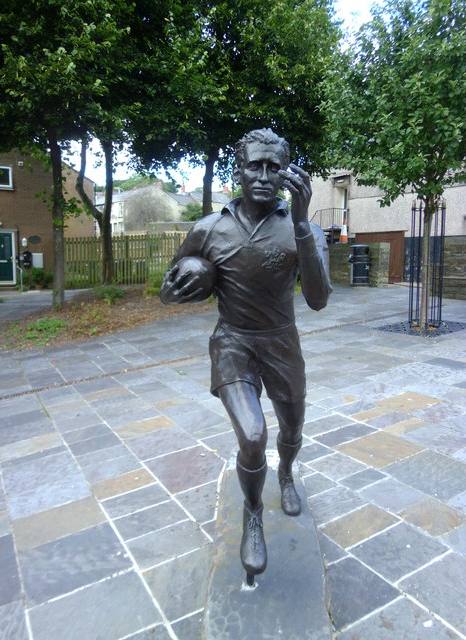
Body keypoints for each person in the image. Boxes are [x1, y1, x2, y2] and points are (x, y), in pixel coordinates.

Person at [160, 128, 332, 582]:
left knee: (292, 426)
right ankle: (252, 513)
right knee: (253, 435)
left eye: (273, 167)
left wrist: (300, 224)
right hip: (233, 342)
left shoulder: (306, 229)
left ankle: (288, 475)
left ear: (286, 173)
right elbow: (166, 290)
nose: (262, 175)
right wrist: (186, 285)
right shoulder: (209, 229)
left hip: (281, 340)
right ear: (239, 168)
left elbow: (318, 299)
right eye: (254, 165)